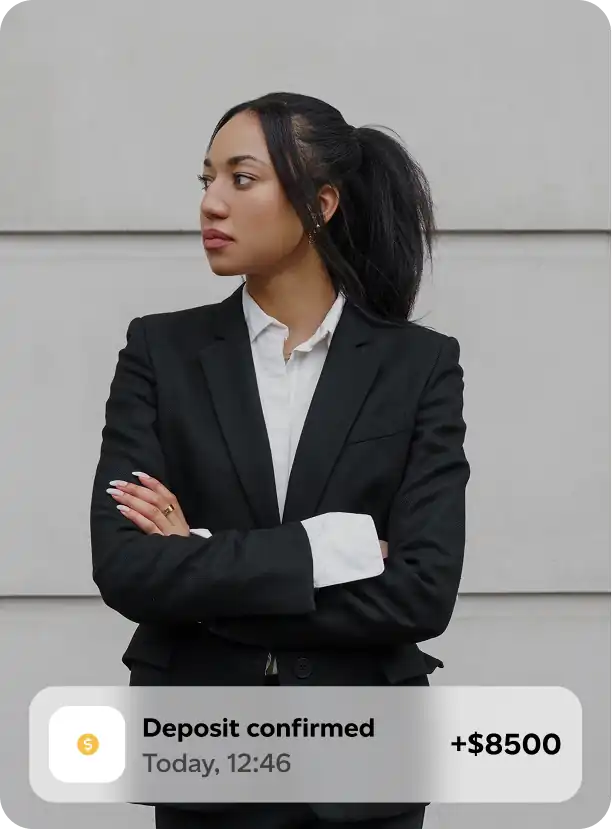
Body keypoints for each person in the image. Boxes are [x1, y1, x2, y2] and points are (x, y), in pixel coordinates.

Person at [89, 91, 470, 829]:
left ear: (320, 203)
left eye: (241, 178)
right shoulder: (159, 353)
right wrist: (330, 550)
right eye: (205, 181)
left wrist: (199, 558)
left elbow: (423, 593)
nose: (212, 205)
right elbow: (127, 567)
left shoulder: (419, 366)